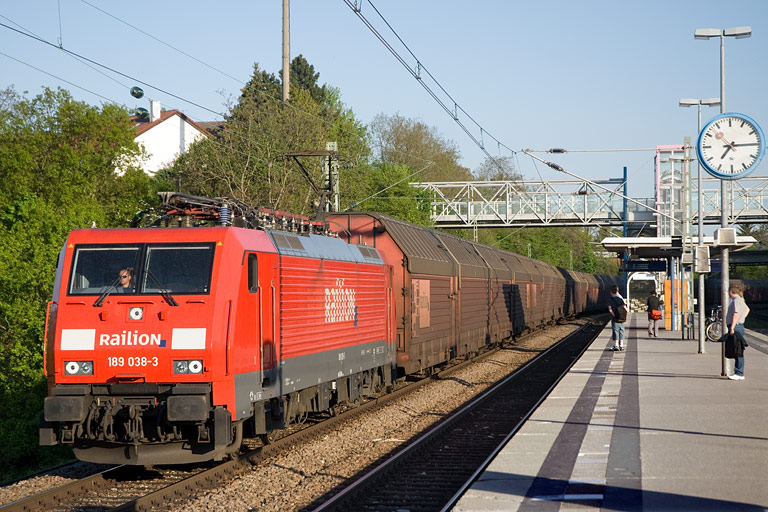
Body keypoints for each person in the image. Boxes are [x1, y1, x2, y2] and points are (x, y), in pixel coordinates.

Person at [725, 283, 749, 380]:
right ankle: (738, 372)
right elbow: (748, 309)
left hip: (736, 328)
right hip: (738, 326)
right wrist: (742, 318)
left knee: (738, 350)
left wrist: (732, 327)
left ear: (731, 292)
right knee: (738, 350)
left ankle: (739, 373)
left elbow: (736, 314)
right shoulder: (740, 300)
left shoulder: (736, 301)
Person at [607, 285, 627, 351]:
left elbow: (610, 310)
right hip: (622, 317)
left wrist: (614, 315)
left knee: (615, 331)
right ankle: (621, 345)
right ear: (617, 291)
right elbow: (625, 308)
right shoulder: (620, 299)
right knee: (621, 330)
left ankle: (616, 345)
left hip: (615, 318)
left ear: (611, 292)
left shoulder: (610, 300)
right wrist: (624, 315)